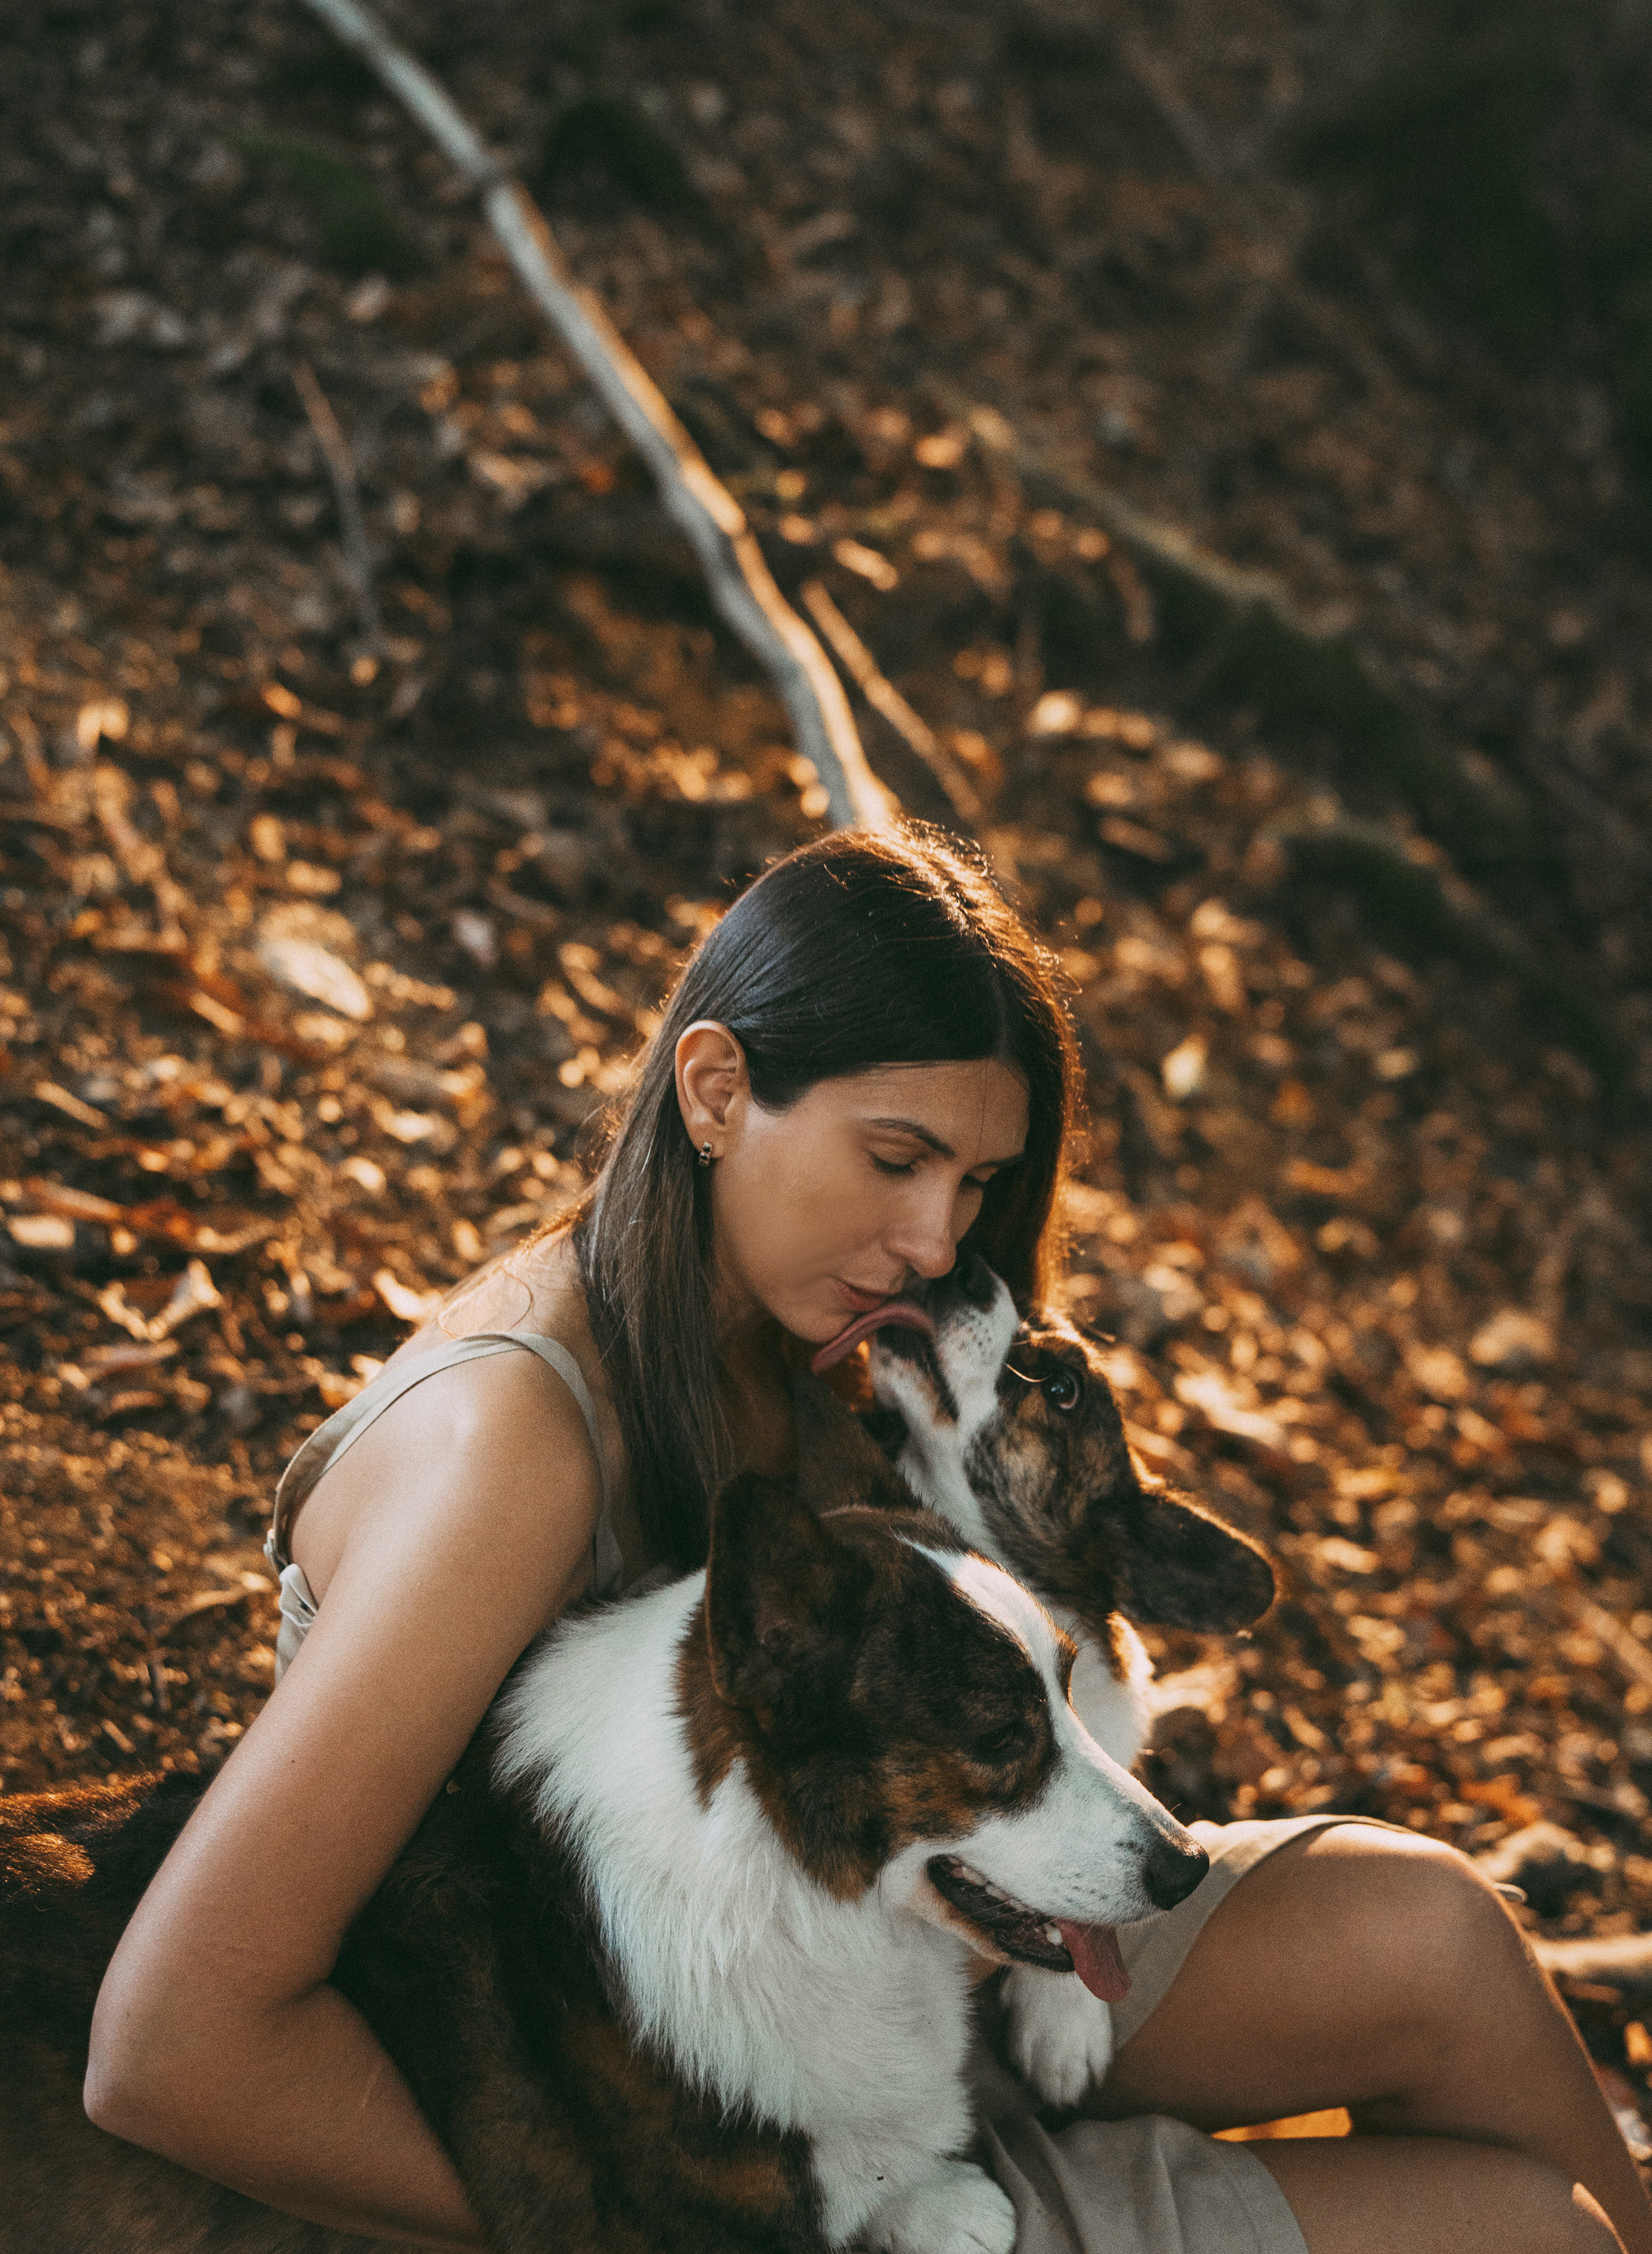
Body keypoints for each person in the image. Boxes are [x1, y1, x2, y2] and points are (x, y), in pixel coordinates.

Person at [85, 824, 1649, 2254]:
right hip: (679, 2131)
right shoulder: (514, 1453)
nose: (937, 1241)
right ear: (713, 1091)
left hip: (887, 1964)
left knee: (1441, 1939)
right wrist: (662, 2220)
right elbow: (168, 2044)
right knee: (1530, 2236)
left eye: (975, 1183)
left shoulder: (812, 1337)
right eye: (895, 1161)